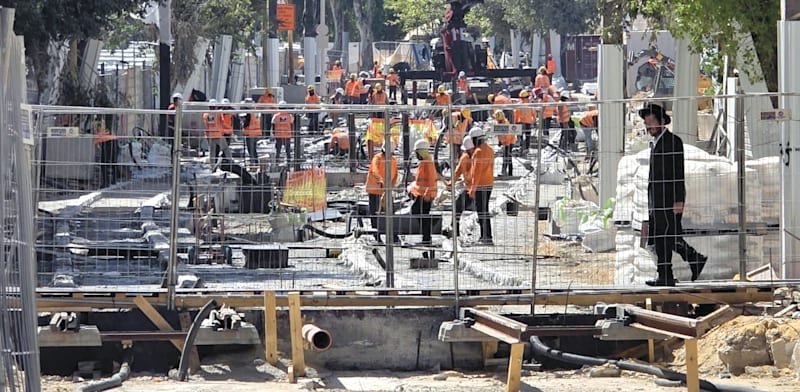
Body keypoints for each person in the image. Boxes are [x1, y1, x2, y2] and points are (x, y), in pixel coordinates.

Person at [641, 103, 707, 286]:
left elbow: (678, 173)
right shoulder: (655, 143)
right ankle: (683, 265)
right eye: (647, 124)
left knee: (666, 238)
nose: (649, 127)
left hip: (669, 200)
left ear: (662, 122)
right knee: (664, 238)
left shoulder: (672, 142)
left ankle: (677, 269)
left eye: (651, 123)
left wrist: (679, 200)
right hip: (656, 200)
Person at [366, 142, 399, 243]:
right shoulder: (377, 158)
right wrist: (381, 181)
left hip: (386, 191)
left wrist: (391, 186)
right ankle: (377, 235)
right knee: (375, 214)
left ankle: (393, 235)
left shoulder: (393, 160)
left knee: (390, 213)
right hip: (375, 190)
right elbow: (374, 171)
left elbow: (396, 174)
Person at [408, 139, 438, 245]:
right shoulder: (425, 162)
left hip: (426, 195)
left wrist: (426, 194)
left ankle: (427, 237)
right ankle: (426, 237)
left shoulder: (427, 162)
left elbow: (430, 179)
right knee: (422, 214)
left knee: (419, 212)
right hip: (424, 194)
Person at [468, 127, 494, 245]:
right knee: (485, 210)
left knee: (481, 211)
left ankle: (486, 237)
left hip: (481, 185)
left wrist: (473, 188)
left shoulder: (478, 152)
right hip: (489, 183)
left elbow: (476, 172)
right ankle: (486, 235)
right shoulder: (490, 149)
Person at [445, 136, 475, 237]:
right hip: (477, 187)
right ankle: (454, 229)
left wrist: (450, 183)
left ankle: (454, 230)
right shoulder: (476, 156)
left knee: (457, 208)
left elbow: (457, 172)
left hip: (470, 189)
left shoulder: (465, 158)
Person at [203, 99, 231, 167]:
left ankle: (212, 166)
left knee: (212, 152)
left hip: (210, 135)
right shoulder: (218, 113)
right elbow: (222, 121)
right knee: (226, 148)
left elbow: (205, 125)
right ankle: (230, 162)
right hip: (218, 135)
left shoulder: (205, 115)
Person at [93, 121, 118, 188]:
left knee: (104, 163)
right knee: (113, 162)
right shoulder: (106, 123)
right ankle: (113, 180)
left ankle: (106, 182)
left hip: (106, 141)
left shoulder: (98, 123)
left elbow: (97, 138)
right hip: (113, 140)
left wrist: (96, 143)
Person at [494, 110, 515, 177]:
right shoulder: (499, 123)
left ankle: (506, 172)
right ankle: (507, 172)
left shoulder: (505, 123)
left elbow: (508, 136)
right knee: (507, 157)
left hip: (509, 142)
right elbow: (499, 134)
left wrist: (506, 144)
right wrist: (500, 142)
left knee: (507, 157)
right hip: (506, 143)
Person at [241, 98, 261, 166]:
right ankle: (256, 163)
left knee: (251, 150)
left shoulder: (249, 113)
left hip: (250, 133)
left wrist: (243, 123)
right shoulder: (256, 112)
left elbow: (246, 123)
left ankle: (253, 164)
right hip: (256, 133)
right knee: (254, 150)